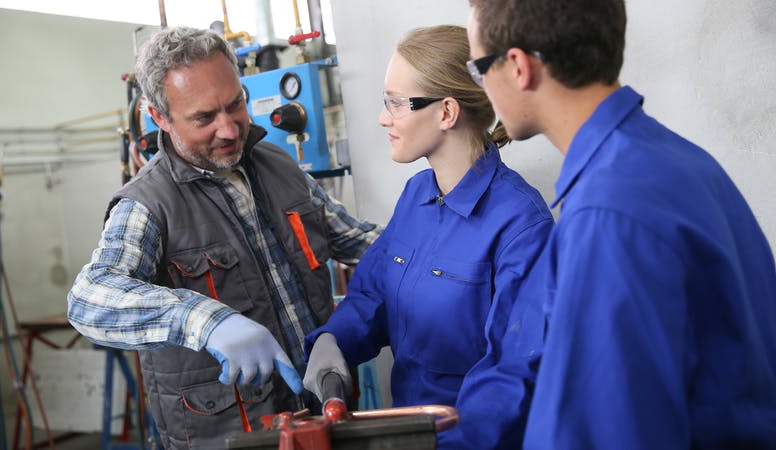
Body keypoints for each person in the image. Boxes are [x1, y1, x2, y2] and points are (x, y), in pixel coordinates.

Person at [454, 0, 776, 448]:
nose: (482, 87)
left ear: (518, 67)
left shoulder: (609, 215)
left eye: (478, 69)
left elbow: (610, 432)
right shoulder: (677, 161)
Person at [67, 26, 381, 449]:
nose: (230, 130)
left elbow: (359, 242)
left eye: (235, 105)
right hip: (232, 436)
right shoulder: (147, 204)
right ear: (158, 116)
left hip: (321, 417)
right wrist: (205, 321)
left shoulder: (277, 165)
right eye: (203, 117)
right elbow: (89, 299)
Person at [301, 23, 553, 428]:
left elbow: (515, 374)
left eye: (396, 103)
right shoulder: (416, 196)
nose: (384, 118)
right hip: (412, 428)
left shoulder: (520, 225)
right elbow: (373, 294)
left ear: (447, 112)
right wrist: (335, 338)